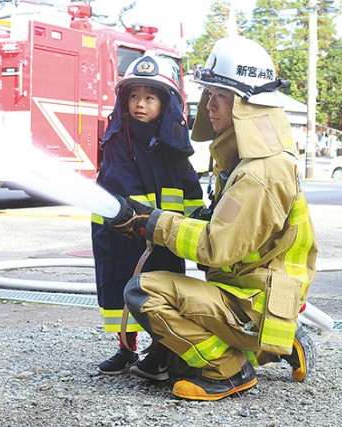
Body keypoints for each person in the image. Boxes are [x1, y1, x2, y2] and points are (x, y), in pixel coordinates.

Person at [106, 35, 318, 401]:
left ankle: (229, 370)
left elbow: (216, 247)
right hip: (255, 295)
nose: (208, 106)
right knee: (175, 354)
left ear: (246, 104)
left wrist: (150, 222)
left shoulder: (260, 173)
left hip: (251, 303)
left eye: (220, 96)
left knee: (142, 292)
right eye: (209, 95)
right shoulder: (248, 159)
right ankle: (274, 341)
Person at [91, 53, 204, 375]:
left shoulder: (175, 148)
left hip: (164, 240)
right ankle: (126, 349)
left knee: (161, 296)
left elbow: (189, 191)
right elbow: (114, 183)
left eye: (149, 97)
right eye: (134, 96)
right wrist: (129, 218)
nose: (140, 103)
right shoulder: (116, 140)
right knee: (119, 290)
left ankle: (160, 351)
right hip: (120, 237)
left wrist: (201, 219)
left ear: (165, 104)